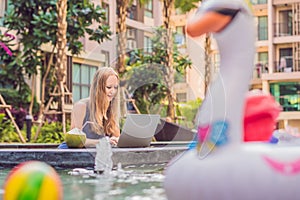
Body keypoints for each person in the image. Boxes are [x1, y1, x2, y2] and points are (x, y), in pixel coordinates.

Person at [59, 67, 120, 148]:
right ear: (98, 88)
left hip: (93, 154)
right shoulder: (81, 106)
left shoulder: (111, 109)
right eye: (109, 87)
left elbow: (116, 137)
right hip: (71, 154)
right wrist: (102, 142)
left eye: (115, 87)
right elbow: (75, 141)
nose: (113, 91)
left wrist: (115, 140)